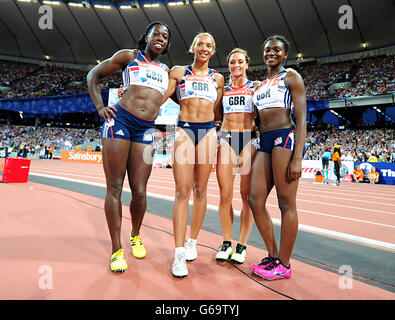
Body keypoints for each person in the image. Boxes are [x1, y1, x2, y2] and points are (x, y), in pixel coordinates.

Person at [87, 21, 171, 272]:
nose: (160, 38)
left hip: (145, 128)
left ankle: (135, 234)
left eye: (165, 36)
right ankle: (116, 249)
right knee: (115, 186)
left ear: (167, 44)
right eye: (156, 33)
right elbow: (93, 75)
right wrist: (100, 106)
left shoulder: (166, 69)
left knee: (141, 191)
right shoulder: (129, 57)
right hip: (120, 121)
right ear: (145, 36)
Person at [161, 32, 224, 277]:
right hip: (184, 130)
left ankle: (192, 243)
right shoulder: (178, 72)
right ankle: (178, 253)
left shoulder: (218, 79)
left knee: (200, 190)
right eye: (200, 44)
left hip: (208, 132)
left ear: (212, 50)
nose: (204, 48)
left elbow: (218, 110)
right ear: (193, 47)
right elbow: (162, 95)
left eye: (209, 45)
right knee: (182, 191)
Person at [248, 35, 307, 280]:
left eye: (277, 50)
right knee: (254, 198)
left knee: (285, 203)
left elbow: (302, 119)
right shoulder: (260, 85)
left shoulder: (291, 77)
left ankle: (284, 264)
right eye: (267, 50)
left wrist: (297, 158)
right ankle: (273, 255)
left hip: (285, 139)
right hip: (265, 141)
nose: (271, 53)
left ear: (285, 54)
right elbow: (255, 119)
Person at [214, 48, 260, 264]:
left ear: (247, 64)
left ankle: (242, 245)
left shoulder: (256, 87)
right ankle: (226, 242)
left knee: (246, 197)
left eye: (240, 61)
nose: (236, 65)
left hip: (249, 139)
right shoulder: (222, 90)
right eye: (232, 62)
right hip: (226, 138)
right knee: (224, 195)